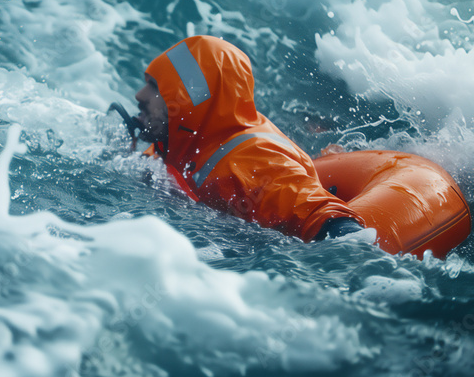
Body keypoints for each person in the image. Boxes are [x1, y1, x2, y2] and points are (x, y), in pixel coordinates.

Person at [129, 35, 364, 242]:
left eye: (155, 87)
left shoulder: (251, 161)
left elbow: (320, 215)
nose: (140, 95)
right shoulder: (176, 144)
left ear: (190, 102)